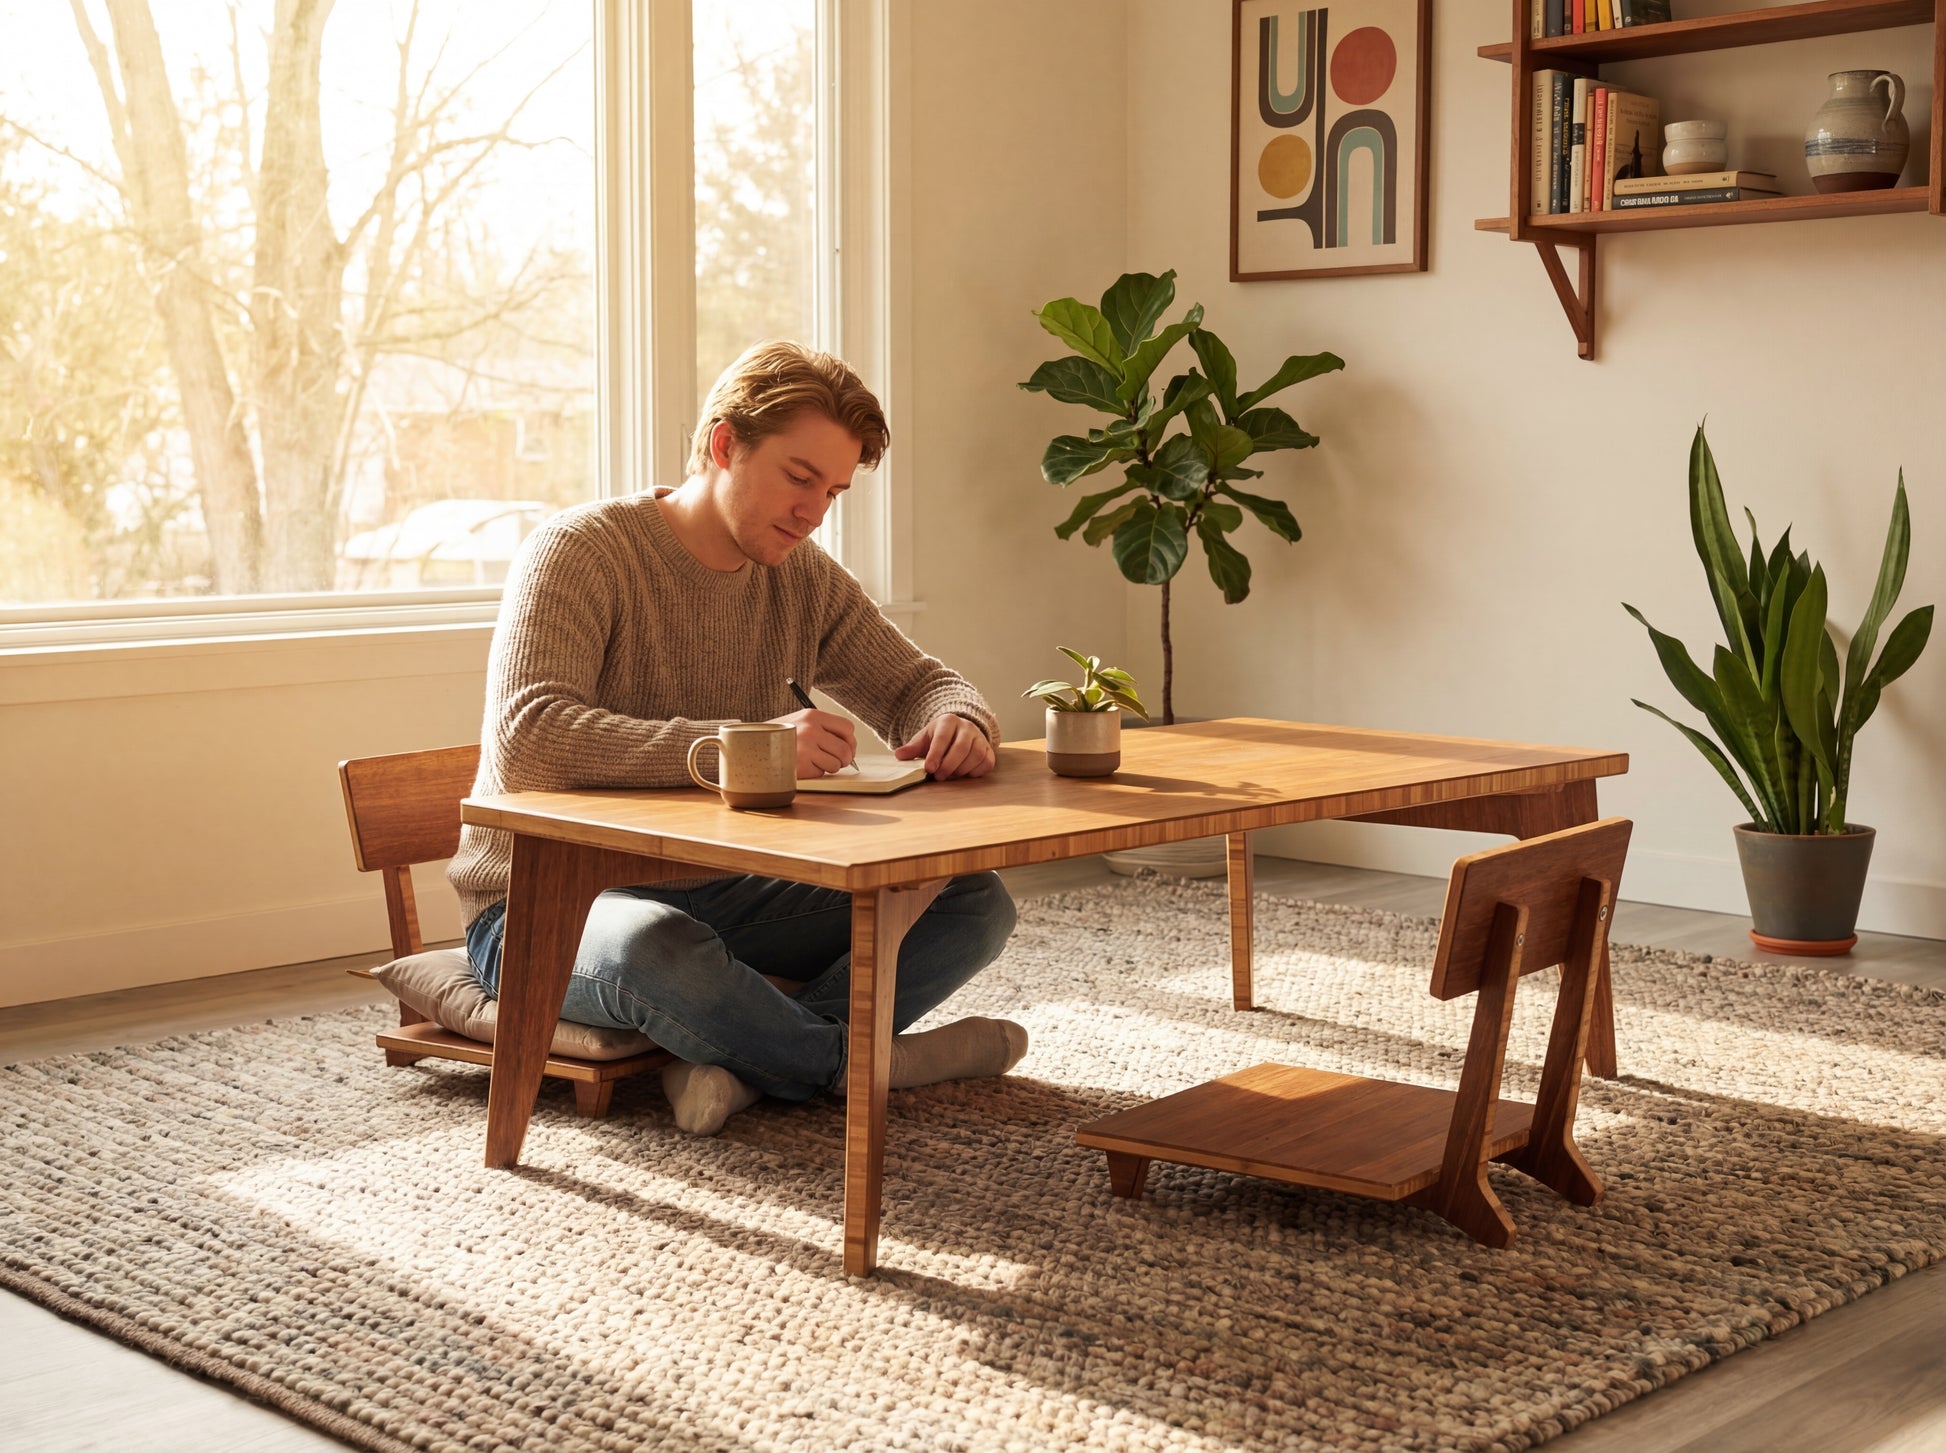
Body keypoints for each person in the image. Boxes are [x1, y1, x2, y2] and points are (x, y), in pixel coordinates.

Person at [448, 341, 1024, 1136]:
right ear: (724, 444)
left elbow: (918, 685)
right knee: (657, 945)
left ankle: (748, 1061)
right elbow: (530, 739)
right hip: (544, 904)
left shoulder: (801, 575)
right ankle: (870, 1063)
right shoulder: (580, 550)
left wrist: (960, 718)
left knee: (972, 897)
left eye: (833, 490)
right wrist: (741, 745)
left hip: (727, 890)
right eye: (798, 477)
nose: (814, 510)